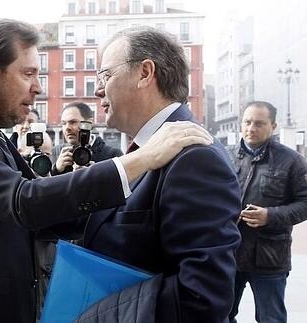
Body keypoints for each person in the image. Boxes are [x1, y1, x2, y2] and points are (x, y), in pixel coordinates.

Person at [0, 19, 213, 323]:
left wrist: (134, 212)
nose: (38, 87)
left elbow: (47, 210)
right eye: (28, 73)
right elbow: (25, 202)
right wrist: (142, 159)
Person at [81, 26, 241, 323]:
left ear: (145, 73)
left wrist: (98, 315)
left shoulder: (195, 158)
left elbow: (202, 297)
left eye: (105, 75)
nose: (98, 89)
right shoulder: (146, 150)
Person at [228, 101, 307, 323]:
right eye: (247, 122)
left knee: (271, 318)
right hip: (229, 252)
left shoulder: (292, 161)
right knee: (221, 314)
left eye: (259, 123)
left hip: (269, 256)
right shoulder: (225, 156)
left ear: (273, 126)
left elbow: (304, 202)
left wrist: (270, 215)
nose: (251, 128)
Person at [51, 101, 122, 175]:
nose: (67, 128)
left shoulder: (113, 155)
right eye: (63, 123)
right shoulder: (57, 152)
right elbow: (47, 185)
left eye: (73, 122)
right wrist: (56, 169)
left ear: (89, 123)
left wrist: (96, 175)